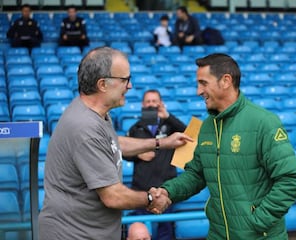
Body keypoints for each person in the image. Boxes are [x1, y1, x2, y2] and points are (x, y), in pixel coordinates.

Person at [38, 47, 192, 240]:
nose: (130, 86)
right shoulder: (85, 126)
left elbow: (113, 143)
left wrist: (161, 143)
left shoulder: (96, 114)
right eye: (125, 80)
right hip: (75, 234)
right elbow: (113, 196)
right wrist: (151, 198)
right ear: (103, 84)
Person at [153, 53, 296, 239]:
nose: (198, 91)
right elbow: (197, 174)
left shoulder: (264, 122)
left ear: (225, 81)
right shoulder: (209, 125)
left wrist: (258, 221)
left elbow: (291, 180)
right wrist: (169, 191)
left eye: (203, 83)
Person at [126, 89, 186, 240]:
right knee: (141, 234)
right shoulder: (135, 128)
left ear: (161, 103)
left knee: (165, 232)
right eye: (148, 101)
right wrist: (137, 154)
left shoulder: (171, 125)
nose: (151, 104)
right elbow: (121, 152)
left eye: (154, 101)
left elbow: (189, 135)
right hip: (141, 191)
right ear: (142, 105)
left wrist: (168, 116)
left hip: (165, 191)